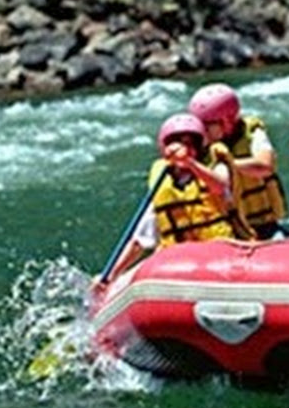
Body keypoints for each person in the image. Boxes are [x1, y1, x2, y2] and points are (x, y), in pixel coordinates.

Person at [103, 112, 252, 282]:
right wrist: (112, 275)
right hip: (178, 263)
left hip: (220, 256)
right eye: (177, 143)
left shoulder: (216, 168)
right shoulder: (162, 185)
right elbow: (140, 242)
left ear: (199, 148)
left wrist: (190, 163)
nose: (182, 148)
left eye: (189, 143)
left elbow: (220, 186)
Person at [188, 82, 288, 239]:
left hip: (262, 225)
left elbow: (266, 165)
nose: (202, 130)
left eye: (207, 125)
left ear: (226, 121)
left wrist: (229, 165)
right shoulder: (201, 146)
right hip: (225, 229)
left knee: (279, 241)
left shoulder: (253, 134)